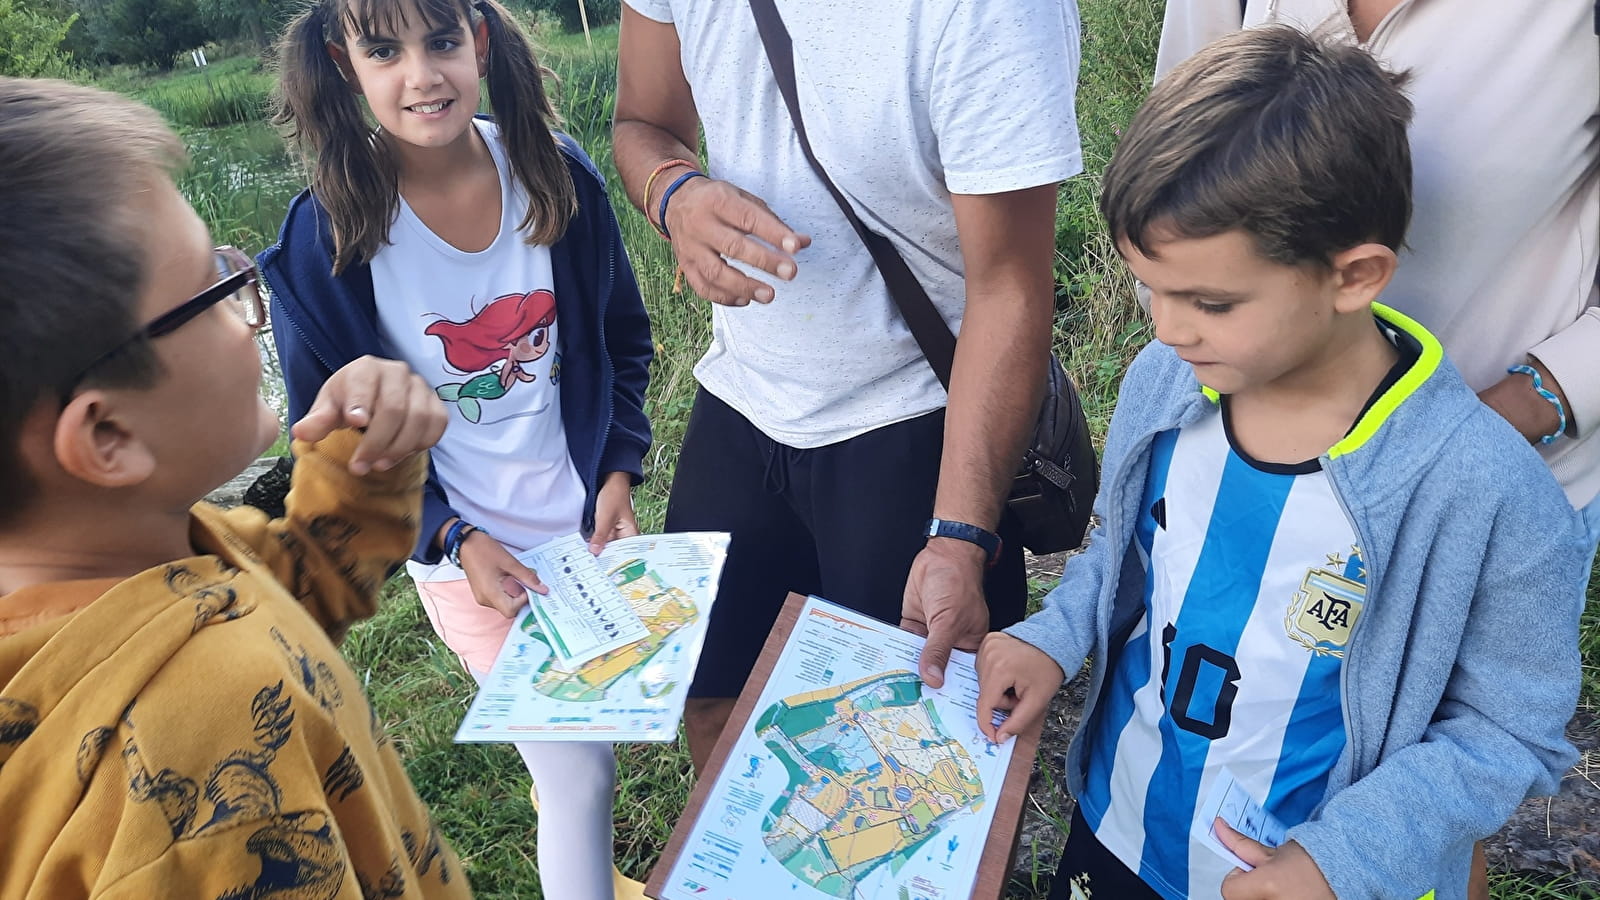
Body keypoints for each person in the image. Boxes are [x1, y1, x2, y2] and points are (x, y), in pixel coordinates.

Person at [975, 28, 1590, 900]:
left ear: (1355, 276)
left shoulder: (1486, 491)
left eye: (1211, 302)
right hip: (1113, 827)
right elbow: (1124, 553)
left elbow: (1509, 732)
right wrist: (1054, 635)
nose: (1166, 329)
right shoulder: (1167, 384)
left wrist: (1342, 860)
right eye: (1153, 288)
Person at [0, 77, 466, 897]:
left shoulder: (135, 572)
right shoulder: (206, 736)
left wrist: (366, 461)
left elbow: (294, 587)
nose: (247, 301)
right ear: (107, 436)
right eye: (215, 286)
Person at [611, 0, 1083, 770]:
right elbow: (642, 122)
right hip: (740, 399)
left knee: (914, 766)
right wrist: (674, 196)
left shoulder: (998, 13)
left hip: (917, 421)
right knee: (717, 703)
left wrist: (961, 535)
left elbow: (1011, 290)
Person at [259, 0, 653, 895]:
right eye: (384, 50)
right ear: (342, 60)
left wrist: (619, 469)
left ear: (478, 40)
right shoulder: (322, 237)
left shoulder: (559, 178)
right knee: (580, 775)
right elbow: (334, 440)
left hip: (583, 543)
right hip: (467, 560)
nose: (421, 74)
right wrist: (451, 538)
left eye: (440, 42)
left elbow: (623, 343)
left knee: (589, 749)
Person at [1153, 0, 1600, 550]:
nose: (1165, 330)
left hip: (1476, 503)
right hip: (1231, 462)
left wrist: (1508, 418)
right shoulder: (1156, 385)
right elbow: (1175, 167)